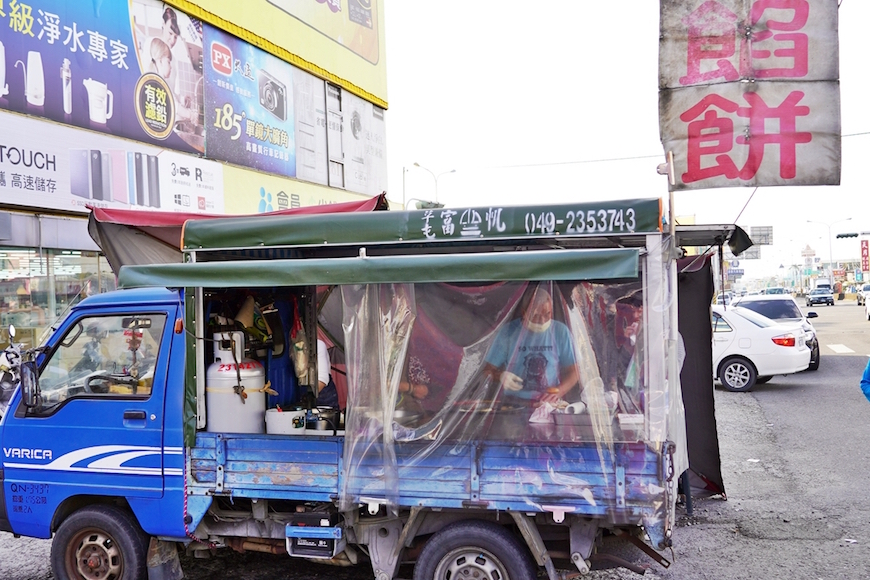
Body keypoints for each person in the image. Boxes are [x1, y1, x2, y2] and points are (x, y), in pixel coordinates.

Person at [484, 287, 580, 405]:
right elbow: (487, 370)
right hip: (512, 403)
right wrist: (501, 376)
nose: (542, 320)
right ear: (524, 312)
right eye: (536, 315)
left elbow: (574, 372)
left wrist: (558, 392)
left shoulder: (560, 332)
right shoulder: (508, 332)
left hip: (548, 402)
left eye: (547, 314)